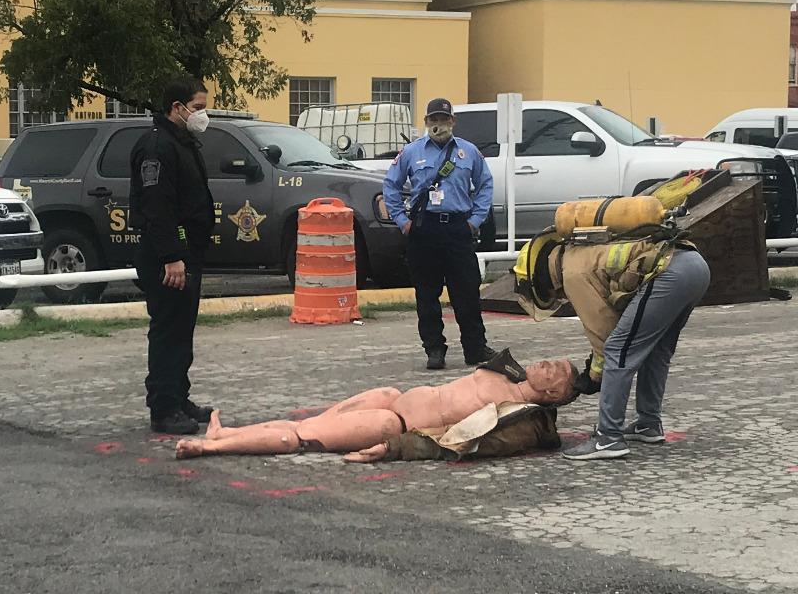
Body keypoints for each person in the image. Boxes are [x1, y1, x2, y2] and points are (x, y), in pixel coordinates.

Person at [517, 225, 711, 460]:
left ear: (539, 276)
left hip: (669, 272)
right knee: (656, 349)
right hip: (693, 264)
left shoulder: (572, 274)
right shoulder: (578, 251)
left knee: (618, 350)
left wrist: (591, 378)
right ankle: (648, 423)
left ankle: (608, 437)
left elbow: (606, 335)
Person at [173, 350, 578, 460]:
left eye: (558, 369)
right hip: (394, 398)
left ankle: (211, 447)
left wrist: (395, 449)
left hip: (394, 425)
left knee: (296, 437)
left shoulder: (522, 415)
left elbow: (473, 444)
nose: (549, 362)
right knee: (311, 422)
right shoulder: (507, 370)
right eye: (552, 358)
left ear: (556, 395)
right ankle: (227, 432)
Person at [383, 98, 496, 370]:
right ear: (426, 123)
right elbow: (391, 186)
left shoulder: (468, 152)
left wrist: (475, 220)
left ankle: (475, 348)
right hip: (424, 228)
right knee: (427, 294)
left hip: (458, 228)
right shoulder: (411, 152)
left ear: (452, 122)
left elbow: (485, 185)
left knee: (467, 293)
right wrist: (402, 221)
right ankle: (434, 349)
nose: (438, 125)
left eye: (443, 120)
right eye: (433, 120)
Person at [130, 77, 216, 435]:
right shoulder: (156, 147)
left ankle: (179, 398)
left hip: (186, 252)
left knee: (183, 332)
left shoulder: (183, 142)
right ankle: (163, 409)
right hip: (168, 256)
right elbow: (157, 208)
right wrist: (171, 257)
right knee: (167, 331)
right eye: (197, 107)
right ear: (176, 108)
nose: (202, 114)